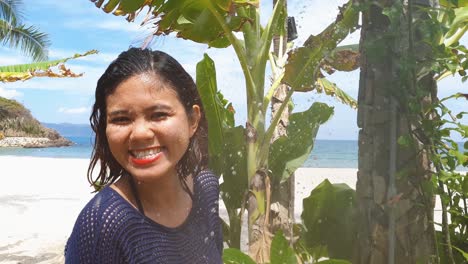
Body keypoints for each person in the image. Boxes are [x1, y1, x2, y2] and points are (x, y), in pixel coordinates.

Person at [65, 48, 223, 263]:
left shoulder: (207, 187)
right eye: (121, 119)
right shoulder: (104, 223)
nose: (140, 133)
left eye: (158, 115)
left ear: (193, 120)